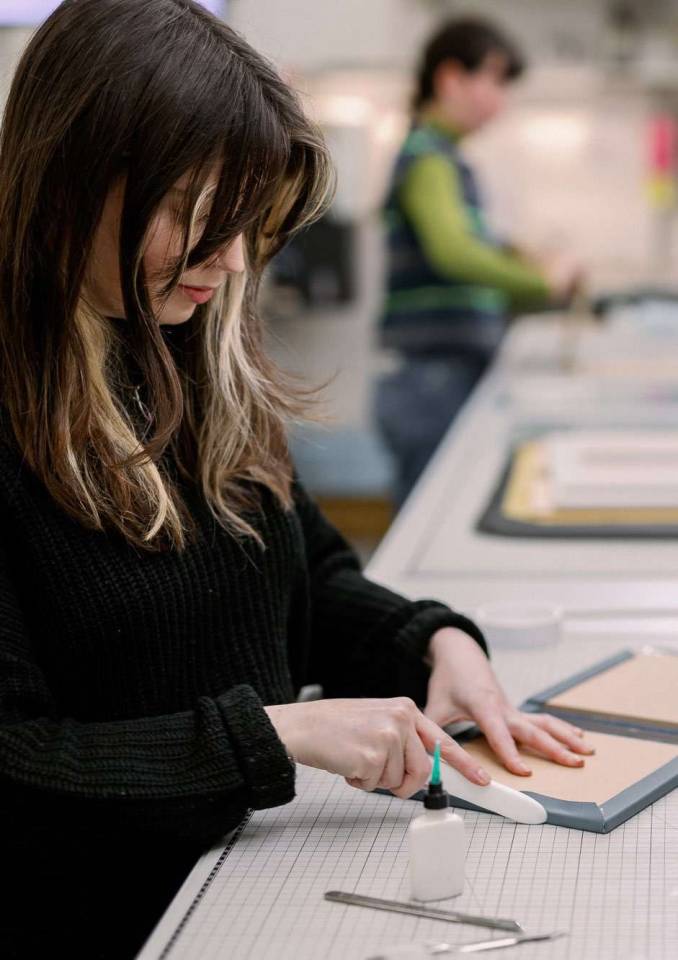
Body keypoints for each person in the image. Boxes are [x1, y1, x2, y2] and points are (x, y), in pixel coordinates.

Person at [0, 2, 592, 957]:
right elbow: (18, 760)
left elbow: (301, 568)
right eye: (200, 220)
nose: (231, 263)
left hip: (242, 876)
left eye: (248, 226)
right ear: (76, 180)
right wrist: (274, 739)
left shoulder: (180, 347)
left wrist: (428, 642)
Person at [376, 17, 580, 505]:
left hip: (441, 376)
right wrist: (542, 282)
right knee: (429, 517)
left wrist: (516, 253)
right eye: (494, 79)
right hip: (433, 379)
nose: (500, 99)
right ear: (450, 78)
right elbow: (455, 253)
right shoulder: (429, 157)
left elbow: (470, 242)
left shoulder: (444, 158)